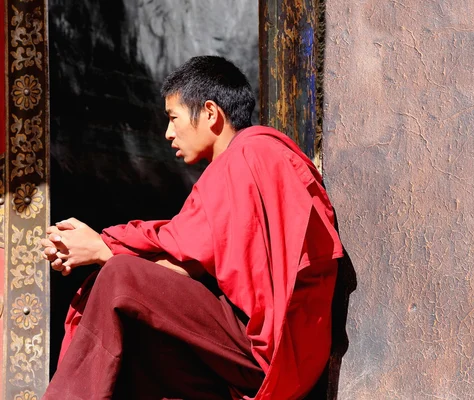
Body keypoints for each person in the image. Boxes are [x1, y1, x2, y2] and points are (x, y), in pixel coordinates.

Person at [41, 56, 343, 399]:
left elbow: (186, 256)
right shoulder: (246, 160)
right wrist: (102, 252)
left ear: (211, 113)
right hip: (243, 351)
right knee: (134, 320)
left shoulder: (250, 153)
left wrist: (103, 250)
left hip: (263, 351)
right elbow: (188, 262)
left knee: (120, 275)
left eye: (173, 118)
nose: (168, 133)